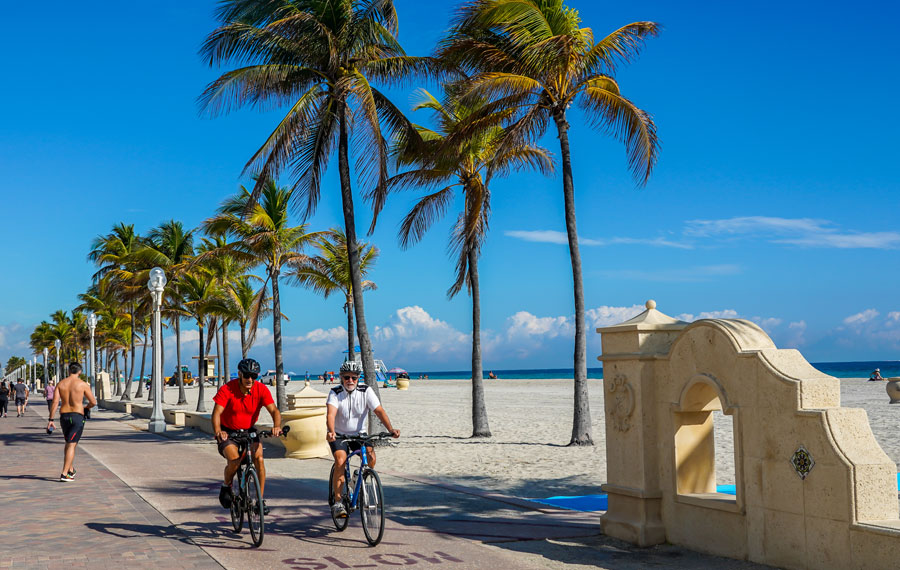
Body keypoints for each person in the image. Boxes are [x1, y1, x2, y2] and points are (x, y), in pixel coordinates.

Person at [326, 360, 400, 519]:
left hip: (359, 434)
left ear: (358, 378)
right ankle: (338, 503)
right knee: (340, 460)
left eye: (353, 377)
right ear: (341, 378)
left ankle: (355, 480)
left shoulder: (366, 391)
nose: (350, 381)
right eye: (346, 377)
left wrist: (390, 429)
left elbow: (379, 410)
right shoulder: (335, 392)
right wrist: (331, 431)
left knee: (371, 458)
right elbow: (330, 414)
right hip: (339, 434)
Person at [212, 358, 282, 515]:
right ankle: (226, 484)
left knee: (259, 459)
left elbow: (274, 411)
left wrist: (276, 426)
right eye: (246, 376)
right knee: (235, 461)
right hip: (228, 432)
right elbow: (217, 412)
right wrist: (218, 431)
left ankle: (260, 500)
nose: (250, 379)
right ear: (240, 374)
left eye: (254, 376)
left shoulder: (261, 389)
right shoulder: (227, 389)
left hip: (249, 430)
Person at [47, 362, 96, 482]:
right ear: (80, 372)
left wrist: (51, 420)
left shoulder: (61, 384)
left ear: (69, 371)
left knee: (69, 443)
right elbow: (93, 402)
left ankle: (70, 470)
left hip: (64, 416)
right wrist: (87, 408)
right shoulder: (83, 384)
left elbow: (54, 402)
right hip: (77, 416)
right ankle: (64, 474)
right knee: (72, 444)